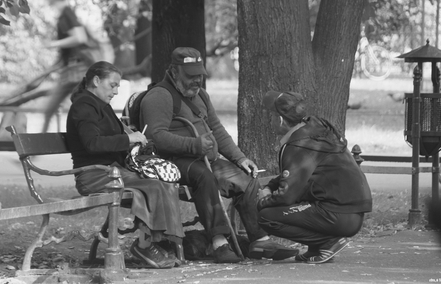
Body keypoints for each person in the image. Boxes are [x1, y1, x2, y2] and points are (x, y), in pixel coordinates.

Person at [139, 47, 298, 263]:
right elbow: (155, 137)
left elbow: (217, 130)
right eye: (191, 75)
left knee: (247, 180)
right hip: (173, 162)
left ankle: (260, 241)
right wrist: (194, 145)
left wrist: (239, 158)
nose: (197, 81)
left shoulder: (201, 95)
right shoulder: (159, 96)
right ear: (174, 72)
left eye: (199, 75)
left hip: (207, 159)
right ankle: (219, 242)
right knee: (205, 177)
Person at [66, 61, 185, 269]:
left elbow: (114, 139)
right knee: (153, 185)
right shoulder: (83, 106)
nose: (116, 90)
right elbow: (92, 144)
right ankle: (144, 245)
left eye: (118, 86)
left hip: (112, 172)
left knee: (162, 181)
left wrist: (135, 142)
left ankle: (160, 241)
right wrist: (128, 140)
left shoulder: (100, 106)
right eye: (112, 85)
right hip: (94, 175)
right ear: (95, 81)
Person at [258, 90, 373, 264]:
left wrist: (262, 201)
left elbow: (287, 195)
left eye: (271, 116)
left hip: (339, 215)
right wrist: (270, 187)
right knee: (294, 203)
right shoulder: (313, 130)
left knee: (266, 216)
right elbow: (296, 175)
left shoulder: (298, 145)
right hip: (349, 212)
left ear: (280, 119)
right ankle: (316, 249)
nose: (269, 121)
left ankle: (327, 242)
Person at [41, 0, 90, 132]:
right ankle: (38, 147)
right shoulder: (63, 14)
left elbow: (80, 37)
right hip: (70, 68)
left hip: (76, 70)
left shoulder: (67, 13)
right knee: (51, 109)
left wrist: (53, 44)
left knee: (52, 108)